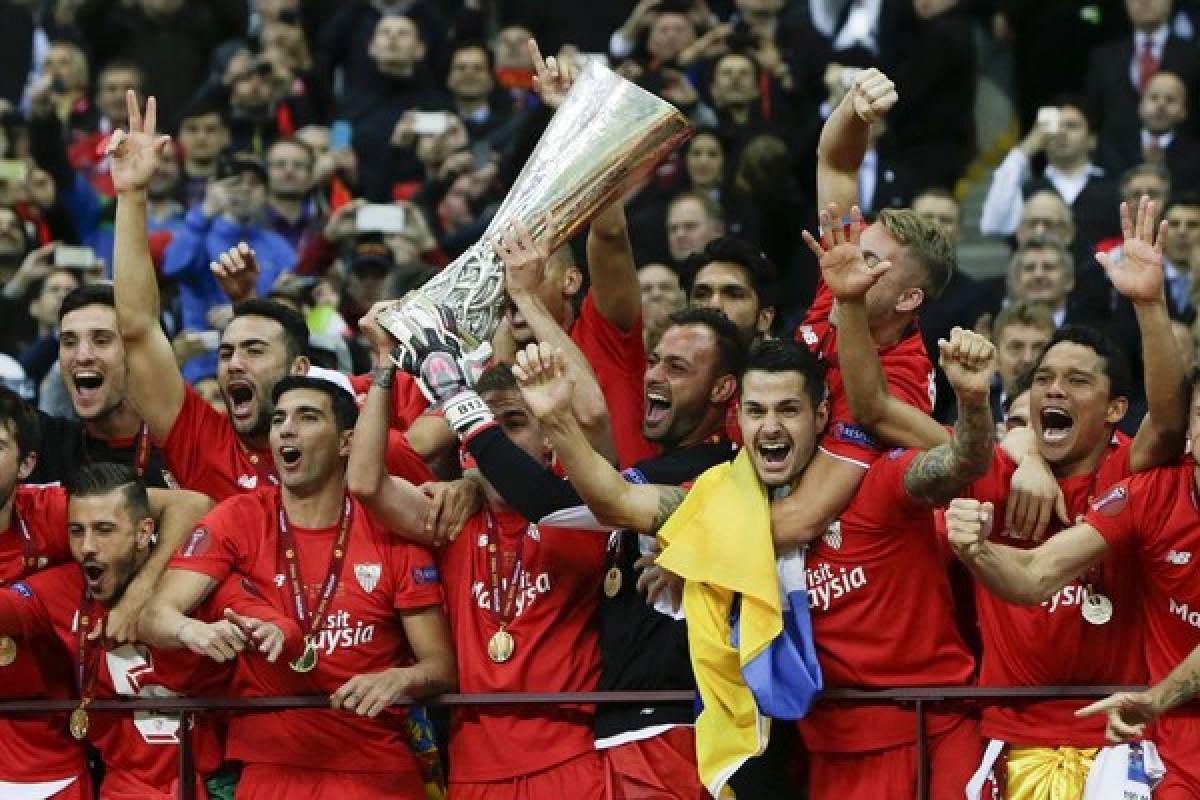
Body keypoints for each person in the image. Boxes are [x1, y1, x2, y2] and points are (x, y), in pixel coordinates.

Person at [382, 301, 745, 797]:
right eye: (654, 360)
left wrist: (456, 396)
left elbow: (552, 504)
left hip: (671, 730)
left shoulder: (712, 476)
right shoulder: (659, 473)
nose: (653, 376)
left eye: (677, 367)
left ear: (722, 389)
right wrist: (475, 476)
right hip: (624, 733)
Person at [140, 376, 456, 799]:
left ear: (346, 443)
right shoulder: (239, 518)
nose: (286, 429)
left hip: (374, 763)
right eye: (278, 420)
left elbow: (442, 668)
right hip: (271, 764)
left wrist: (402, 679)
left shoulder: (389, 531)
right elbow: (154, 617)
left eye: (307, 417)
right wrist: (192, 630)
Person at [110, 91, 430, 501]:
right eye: (226, 353)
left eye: (254, 351)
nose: (234, 364)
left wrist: (466, 487)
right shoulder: (203, 442)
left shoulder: (359, 441)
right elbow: (137, 329)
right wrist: (131, 195)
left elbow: (447, 420)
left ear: (300, 368)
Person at [349, 308, 610, 799]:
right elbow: (366, 482)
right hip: (472, 768)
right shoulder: (451, 517)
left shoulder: (581, 516)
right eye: (485, 426)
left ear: (551, 444)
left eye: (514, 423)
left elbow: (595, 420)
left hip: (569, 759)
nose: (493, 439)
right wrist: (384, 364)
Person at [0, 463, 265, 798]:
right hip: (125, 786)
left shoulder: (193, 583)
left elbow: (268, 622)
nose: (87, 547)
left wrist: (253, 629)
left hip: (214, 784)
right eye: (76, 531)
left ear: (143, 533)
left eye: (104, 530)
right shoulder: (59, 589)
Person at [28, 284, 175, 488]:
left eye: (101, 340)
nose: (82, 356)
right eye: (69, 342)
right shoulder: (37, 443)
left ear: (143, 354)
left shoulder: (185, 448)